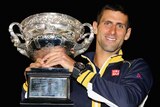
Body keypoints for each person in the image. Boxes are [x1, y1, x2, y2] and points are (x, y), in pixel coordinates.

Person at [21, 1, 153, 107]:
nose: (112, 32)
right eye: (107, 23)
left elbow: (127, 102)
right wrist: (34, 82)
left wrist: (78, 70)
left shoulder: (135, 67)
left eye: (120, 26)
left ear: (127, 33)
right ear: (95, 27)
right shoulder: (66, 69)